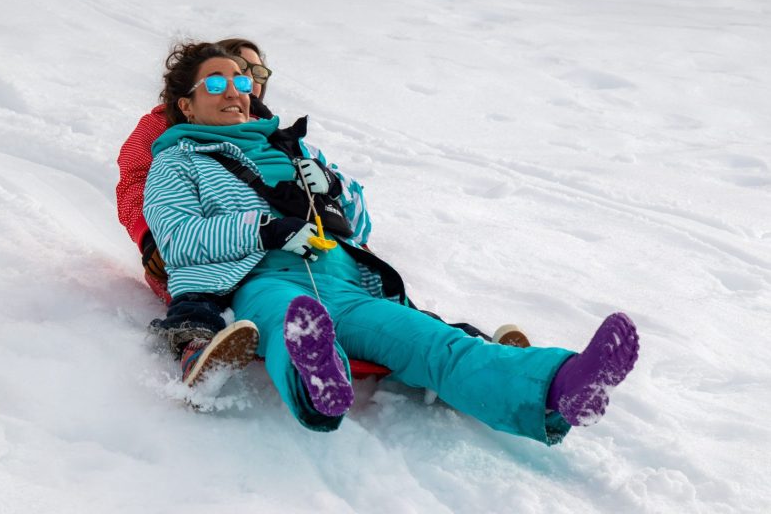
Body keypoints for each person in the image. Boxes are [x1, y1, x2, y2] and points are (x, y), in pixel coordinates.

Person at [142, 42, 640, 444]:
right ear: (186, 104)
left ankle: (562, 388)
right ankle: (319, 386)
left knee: (436, 344)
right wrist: (263, 229)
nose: (234, 90)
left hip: (344, 279)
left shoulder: (293, 148)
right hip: (262, 277)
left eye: (240, 80)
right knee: (290, 323)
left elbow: (359, 224)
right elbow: (178, 239)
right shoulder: (177, 161)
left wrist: (334, 188)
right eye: (216, 82)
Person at [116, 38, 530, 384]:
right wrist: (149, 237)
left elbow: (352, 212)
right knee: (205, 298)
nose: (246, 85)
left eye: (253, 76)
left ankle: (478, 354)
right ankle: (200, 348)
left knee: (387, 304)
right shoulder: (170, 131)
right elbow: (138, 181)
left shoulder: (279, 139)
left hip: (307, 256)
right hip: (208, 252)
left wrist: (334, 201)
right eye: (230, 74)